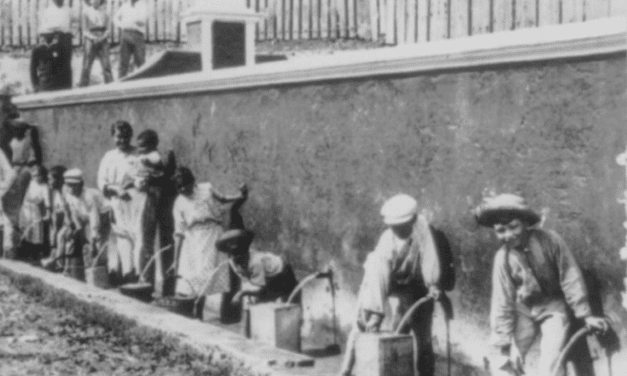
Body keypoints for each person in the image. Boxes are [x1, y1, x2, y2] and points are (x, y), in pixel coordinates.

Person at [474, 193, 609, 376]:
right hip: (524, 308)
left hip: (553, 307)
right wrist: (503, 343)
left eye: (513, 227)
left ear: (525, 223)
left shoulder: (550, 241)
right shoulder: (502, 258)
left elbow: (570, 277)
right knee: (506, 363)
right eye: (501, 230)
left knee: (550, 365)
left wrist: (585, 315)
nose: (508, 235)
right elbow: (501, 302)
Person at [339, 194, 443, 376]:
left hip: (416, 287)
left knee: (422, 338)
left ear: (412, 220)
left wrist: (433, 284)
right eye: (395, 227)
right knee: (365, 327)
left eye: (403, 226)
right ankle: (346, 370)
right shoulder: (386, 241)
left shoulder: (422, 229)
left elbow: (430, 260)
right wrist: (374, 313)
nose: (398, 230)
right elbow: (377, 279)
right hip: (387, 285)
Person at [170, 167, 247, 317]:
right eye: (179, 187)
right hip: (192, 239)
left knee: (205, 274)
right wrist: (175, 260)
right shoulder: (179, 202)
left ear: (193, 181)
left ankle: (199, 310)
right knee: (190, 277)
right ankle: (193, 311)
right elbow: (179, 233)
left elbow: (223, 198)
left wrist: (240, 196)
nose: (183, 189)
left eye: (185, 184)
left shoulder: (207, 188)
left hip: (212, 235)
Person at [97, 120, 139, 282]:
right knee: (120, 237)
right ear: (113, 137)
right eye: (118, 137)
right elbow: (101, 180)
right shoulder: (109, 157)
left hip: (134, 203)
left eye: (126, 137)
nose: (122, 140)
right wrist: (114, 189)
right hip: (116, 202)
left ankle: (135, 274)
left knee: (135, 237)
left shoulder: (137, 155)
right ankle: (122, 273)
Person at [216, 229, 298, 305]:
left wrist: (242, 293)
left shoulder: (255, 262)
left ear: (246, 254)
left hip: (282, 272)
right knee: (260, 301)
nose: (236, 259)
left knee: (289, 302)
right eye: (233, 256)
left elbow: (259, 288)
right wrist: (249, 296)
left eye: (240, 256)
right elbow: (247, 281)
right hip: (268, 276)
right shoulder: (233, 262)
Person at [2, 119, 42, 259]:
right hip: (14, 168)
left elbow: (32, 159)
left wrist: (30, 169)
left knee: (21, 201)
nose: (16, 131)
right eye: (15, 129)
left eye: (19, 129)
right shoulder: (12, 141)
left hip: (24, 169)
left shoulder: (27, 141)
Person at [57, 168, 106, 280]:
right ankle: (78, 271)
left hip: (103, 216)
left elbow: (95, 219)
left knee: (97, 245)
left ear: (81, 185)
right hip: (84, 218)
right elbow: (73, 211)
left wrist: (94, 237)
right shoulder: (67, 193)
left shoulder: (88, 196)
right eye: (68, 185)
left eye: (74, 185)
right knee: (76, 240)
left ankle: (100, 276)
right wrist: (76, 228)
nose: (71, 188)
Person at [38, 0, 73, 90]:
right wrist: (54, 30)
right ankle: (55, 87)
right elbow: (43, 27)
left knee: (66, 63)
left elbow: (75, 24)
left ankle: (67, 87)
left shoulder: (68, 10)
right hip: (53, 38)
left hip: (65, 38)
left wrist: (70, 33)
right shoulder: (48, 11)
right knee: (54, 63)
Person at [18, 165, 50, 261]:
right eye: (34, 175)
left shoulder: (44, 187)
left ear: (42, 176)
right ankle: (23, 251)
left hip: (35, 209)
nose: (35, 177)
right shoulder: (31, 183)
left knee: (35, 230)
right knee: (24, 229)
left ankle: (35, 253)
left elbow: (47, 201)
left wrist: (47, 213)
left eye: (38, 175)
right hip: (26, 207)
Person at [79, 0, 113, 87]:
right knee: (86, 64)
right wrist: (93, 38)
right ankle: (83, 87)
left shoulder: (105, 12)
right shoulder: (85, 12)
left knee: (106, 65)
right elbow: (84, 30)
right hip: (90, 38)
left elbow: (108, 29)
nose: (95, 1)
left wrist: (102, 37)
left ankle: (111, 87)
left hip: (103, 37)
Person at [113, 0, 148, 79]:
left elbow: (142, 21)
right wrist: (122, 25)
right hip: (125, 34)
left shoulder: (143, 5)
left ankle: (142, 85)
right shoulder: (125, 5)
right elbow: (115, 18)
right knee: (123, 62)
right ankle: (120, 84)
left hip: (138, 35)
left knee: (140, 61)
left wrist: (131, 19)